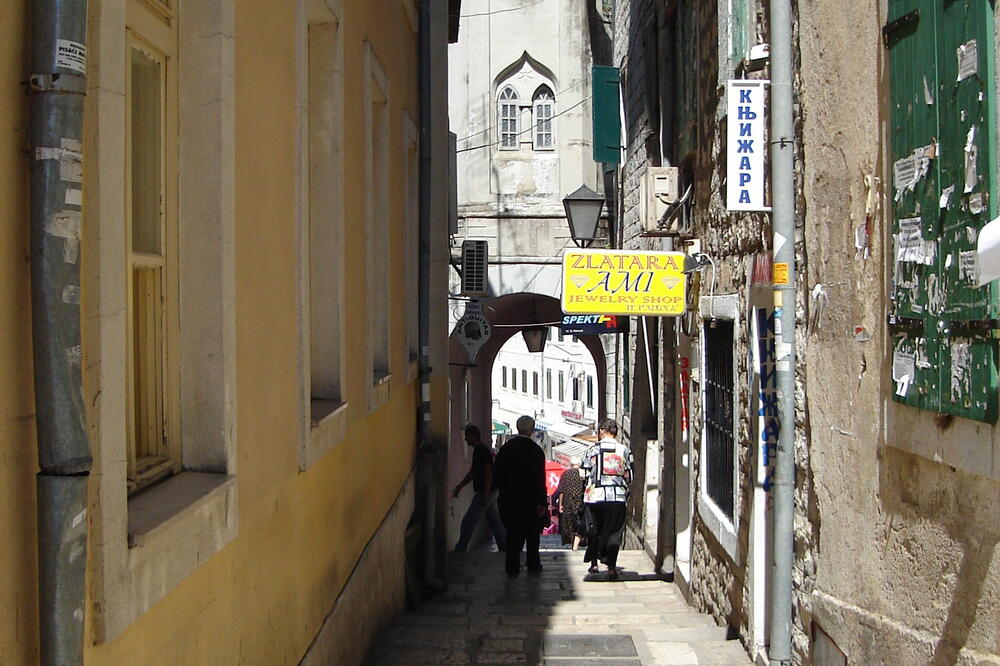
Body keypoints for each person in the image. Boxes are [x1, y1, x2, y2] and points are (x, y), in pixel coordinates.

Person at [493, 415, 547, 577]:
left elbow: (498, 474)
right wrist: (542, 501)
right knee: (532, 534)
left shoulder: (505, 449)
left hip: (509, 498)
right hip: (530, 499)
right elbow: (540, 478)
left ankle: (512, 567)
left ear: (517, 428)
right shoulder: (536, 451)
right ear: (532, 430)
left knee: (512, 534)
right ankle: (533, 564)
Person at [581, 419, 633, 580]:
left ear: (602, 431)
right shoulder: (624, 450)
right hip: (617, 497)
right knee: (614, 532)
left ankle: (594, 563)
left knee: (594, 529)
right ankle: (611, 567)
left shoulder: (592, 450)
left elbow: (584, 474)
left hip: (595, 496)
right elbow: (630, 476)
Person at [452, 424, 506, 552]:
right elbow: (473, 472)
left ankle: (461, 548)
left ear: (473, 436)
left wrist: (485, 493)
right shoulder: (480, 451)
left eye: (467, 436)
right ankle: (504, 546)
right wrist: (459, 486)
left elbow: (488, 472)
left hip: (485, 491)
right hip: (490, 490)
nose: (465, 439)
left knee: (468, 521)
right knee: (494, 520)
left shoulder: (481, 451)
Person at [553, 457, 585, 550]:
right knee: (580, 521)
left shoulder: (565, 474)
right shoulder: (583, 474)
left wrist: (560, 505)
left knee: (569, 521)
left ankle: (571, 541)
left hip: (568, 501)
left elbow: (561, 491)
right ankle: (577, 542)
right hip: (580, 501)